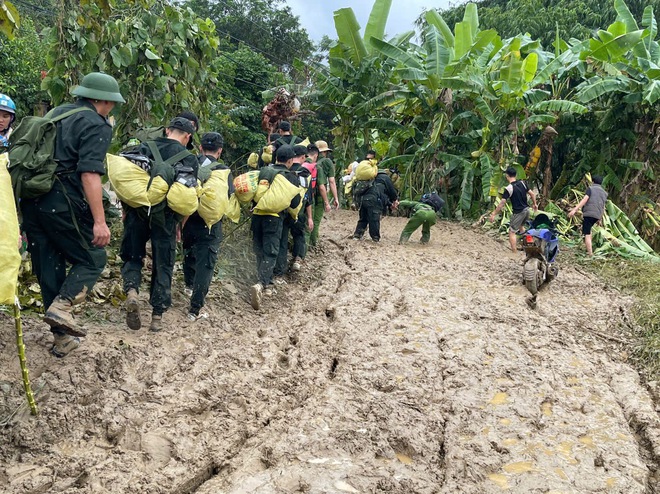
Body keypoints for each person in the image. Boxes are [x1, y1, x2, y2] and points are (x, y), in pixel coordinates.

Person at [19, 72, 124, 357]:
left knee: (49, 264)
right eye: (112, 103)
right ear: (102, 100)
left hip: (31, 201)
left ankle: (61, 339)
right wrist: (100, 222)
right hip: (61, 200)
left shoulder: (56, 113)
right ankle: (63, 306)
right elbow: (90, 173)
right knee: (93, 256)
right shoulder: (95, 123)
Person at [121, 117, 199, 332]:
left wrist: (126, 212)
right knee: (163, 263)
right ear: (187, 136)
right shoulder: (189, 159)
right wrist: (179, 226)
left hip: (138, 212)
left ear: (166, 130)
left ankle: (132, 292)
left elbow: (131, 181)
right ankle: (157, 315)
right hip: (167, 217)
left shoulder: (145, 147)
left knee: (133, 255)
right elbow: (189, 197)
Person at [182, 132, 233, 321]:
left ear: (200, 148)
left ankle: (188, 285)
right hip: (210, 224)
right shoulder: (223, 170)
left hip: (189, 219)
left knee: (189, 251)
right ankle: (194, 309)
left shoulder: (190, 163)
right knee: (206, 264)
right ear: (219, 151)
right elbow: (228, 196)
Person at [250, 145, 302, 310]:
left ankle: (264, 278)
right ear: (289, 161)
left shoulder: (264, 171)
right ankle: (262, 284)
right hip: (274, 218)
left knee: (259, 248)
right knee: (271, 251)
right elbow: (294, 202)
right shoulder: (290, 176)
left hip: (257, 216)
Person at [274, 144, 313, 279]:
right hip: (299, 211)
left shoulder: (282, 171)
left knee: (282, 241)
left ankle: (280, 270)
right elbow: (308, 198)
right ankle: (297, 259)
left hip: (282, 211)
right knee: (299, 236)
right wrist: (310, 217)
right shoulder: (305, 173)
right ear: (302, 157)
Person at [489, 167, 538, 252]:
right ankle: (530, 245)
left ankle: (514, 252)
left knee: (512, 232)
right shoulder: (523, 183)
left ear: (507, 176)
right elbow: (532, 194)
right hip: (527, 210)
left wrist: (494, 213)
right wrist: (535, 204)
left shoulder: (509, 188)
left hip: (519, 212)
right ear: (515, 175)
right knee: (521, 227)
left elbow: (502, 203)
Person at [352, 169, 399, 242]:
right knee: (374, 219)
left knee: (363, 218)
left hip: (363, 200)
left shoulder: (369, 177)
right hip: (374, 201)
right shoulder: (385, 177)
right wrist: (395, 200)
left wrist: (389, 204)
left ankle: (357, 235)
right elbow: (391, 191)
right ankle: (375, 238)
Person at [568, 175, 608, 256]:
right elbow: (603, 207)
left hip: (589, 213)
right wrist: (600, 218)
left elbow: (584, 200)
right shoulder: (604, 193)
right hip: (597, 215)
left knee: (587, 233)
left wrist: (574, 210)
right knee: (588, 231)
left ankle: (590, 253)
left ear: (593, 181)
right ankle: (588, 249)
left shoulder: (590, 189)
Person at [305, 143, 332, 248]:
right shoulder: (317, 167)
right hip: (312, 198)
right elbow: (322, 186)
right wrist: (327, 202)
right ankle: (311, 244)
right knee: (313, 221)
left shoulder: (299, 163)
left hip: (297, 199)